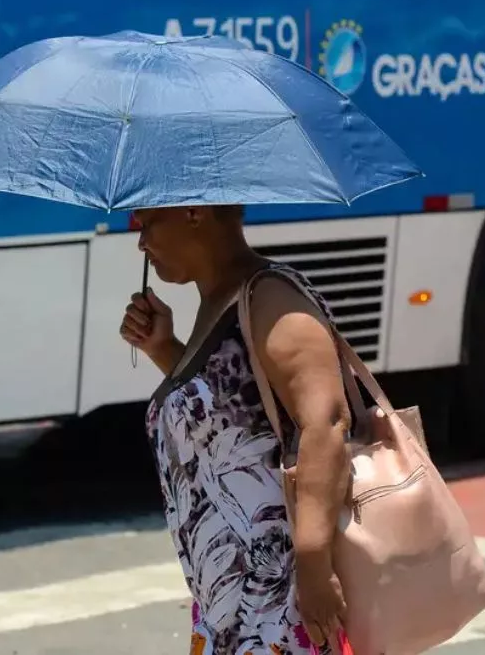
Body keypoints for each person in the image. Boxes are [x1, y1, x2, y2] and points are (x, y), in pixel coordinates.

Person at [119, 204, 351, 654]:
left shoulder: (271, 298)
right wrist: (163, 348)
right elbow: (231, 421)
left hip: (278, 601)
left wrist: (313, 563)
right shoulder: (219, 300)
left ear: (194, 212)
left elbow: (326, 421)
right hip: (231, 606)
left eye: (146, 224)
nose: (141, 242)